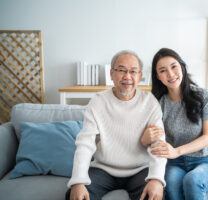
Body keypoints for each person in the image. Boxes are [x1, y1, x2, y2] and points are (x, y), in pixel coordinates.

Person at [66, 50, 167, 200]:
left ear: (140, 76)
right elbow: (85, 144)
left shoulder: (150, 102)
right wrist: (78, 181)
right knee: (75, 197)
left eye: (133, 71)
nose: (127, 76)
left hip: (140, 170)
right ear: (111, 74)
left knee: (154, 196)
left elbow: (159, 144)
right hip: (103, 169)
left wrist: (157, 179)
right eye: (121, 70)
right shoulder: (98, 102)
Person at [140, 48, 208, 200]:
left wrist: (177, 151)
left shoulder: (203, 96)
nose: (170, 74)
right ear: (158, 76)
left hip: (204, 160)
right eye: (163, 70)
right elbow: (148, 140)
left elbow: (207, 137)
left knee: (192, 180)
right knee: (171, 182)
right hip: (174, 164)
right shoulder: (157, 103)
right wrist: (145, 138)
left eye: (174, 66)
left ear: (182, 67)